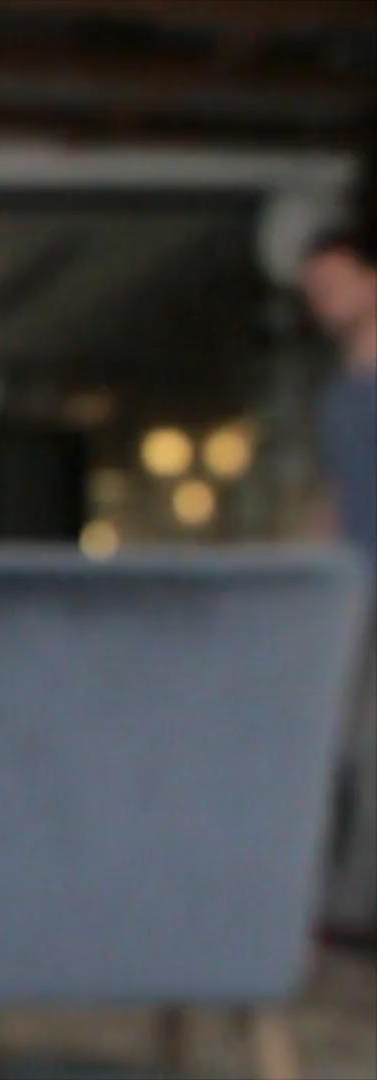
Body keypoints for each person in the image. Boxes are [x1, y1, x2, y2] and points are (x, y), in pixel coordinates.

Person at [301, 226, 377, 937]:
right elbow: (336, 496)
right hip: (351, 588)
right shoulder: (338, 395)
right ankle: (340, 909)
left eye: (332, 283)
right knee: (340, 745)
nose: (321, 300)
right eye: (313, 290)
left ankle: (354, 912)